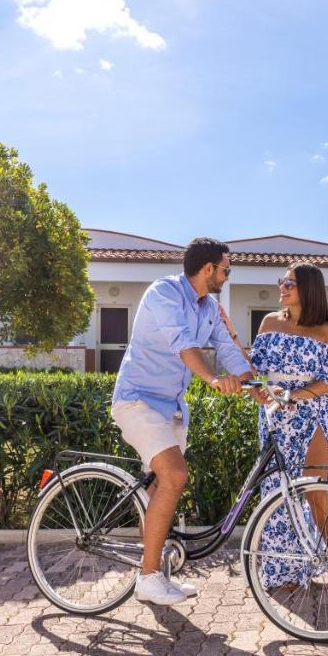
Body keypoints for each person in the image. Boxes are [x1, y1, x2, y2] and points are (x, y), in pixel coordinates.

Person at [111, 238, 251, 606]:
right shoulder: (165, 293)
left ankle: (156, 575)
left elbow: (227, 350)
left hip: (171, 408)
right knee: (175, 476)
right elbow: (183, 344)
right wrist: (213, 379)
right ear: (208, 269)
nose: (227, 275)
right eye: (226, 269)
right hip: (137, 400)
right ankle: (148, 578)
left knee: (161, 489)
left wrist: (260, 390)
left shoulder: (210, 307)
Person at [248, 262, 328, 592]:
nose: (283, 287)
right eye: (283, 282)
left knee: (319, 493)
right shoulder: (269, 322)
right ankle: (284, 571)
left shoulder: (326, 330)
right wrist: (259, 391)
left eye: (289, 283)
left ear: (308, 289)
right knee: (278, 493)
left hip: (311, 414)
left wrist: (293, 394)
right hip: (275, 417)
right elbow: (254, 370)